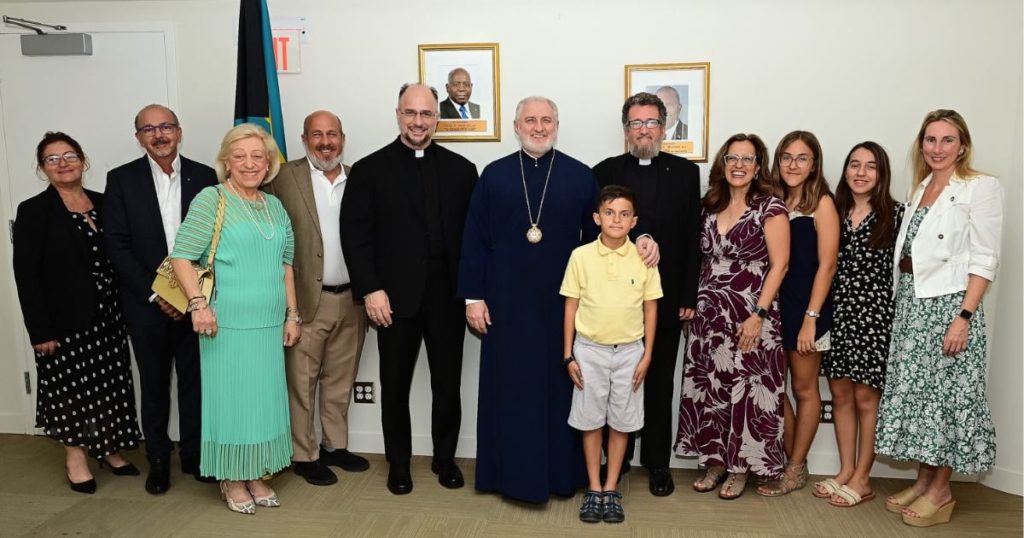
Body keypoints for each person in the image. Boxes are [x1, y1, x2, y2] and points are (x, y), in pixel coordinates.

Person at [459, 96, 660, 504]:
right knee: (513, 391)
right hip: (506, 305)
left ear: (557, 124)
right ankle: (508, 475)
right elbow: (474, 240)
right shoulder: (493, 176)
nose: (538, 127)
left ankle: (563, 476)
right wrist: (473, 298)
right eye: (530, 120)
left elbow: (609, 230)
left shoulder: (579, 176)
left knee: (562, 391)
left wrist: (643, 237)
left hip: (565, 308)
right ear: (516, 126)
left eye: (546, 120)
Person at [340, 83, 478, 496]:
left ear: (438, 118)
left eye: (427, 114)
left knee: (447, 384)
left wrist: (472, 292)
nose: (418, 122)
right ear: (398, 115)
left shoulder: (462, 170)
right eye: (410, 113)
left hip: (447, 297)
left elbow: (473, 239)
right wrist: (371, 290)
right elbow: (355, 236)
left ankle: (444, 458)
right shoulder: (369, 170)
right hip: (393, 298)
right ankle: (397, 464)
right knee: (394, 385)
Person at [875, 109, 1002, 527]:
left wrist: (964, 315)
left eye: (947, 140)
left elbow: (985, 258)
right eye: (931, 139)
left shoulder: (980, 187)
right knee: (922, 396)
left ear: (962, 145)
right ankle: (924, 480)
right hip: (914, 301)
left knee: (947, 397)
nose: (938, 148)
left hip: (950, 305)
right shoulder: (923, 187)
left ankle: (941, 491)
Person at [169, 124, 297, 514]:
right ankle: (231, 476)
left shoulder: (274, 205)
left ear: (270, 163)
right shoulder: (212, 199)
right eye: (239, 156)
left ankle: (255, 472)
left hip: (269, 324)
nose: (249, 164)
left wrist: (293, 314)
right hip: (225, 325)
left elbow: (286, 265)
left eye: (258, 156)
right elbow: (181, 256)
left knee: (262, 401)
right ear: (226, 161)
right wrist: (197, 304)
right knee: (232, 403)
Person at [13, 132, 141, 494]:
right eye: (52, 159)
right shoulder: (33, 211)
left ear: (83, 160)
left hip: (109, 317)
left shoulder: (104, 202)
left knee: (109, 385)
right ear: (42, 169)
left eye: (69, 155)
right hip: (63, 322)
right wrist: (40, 330)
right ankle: (76, 456)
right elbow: (27, 276)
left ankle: (108, 448)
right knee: (68, 389)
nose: (63, 163)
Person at [104, 104, 218, 493]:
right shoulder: (120, 180)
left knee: (195, 381)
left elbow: (214, 243)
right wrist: (156, 294)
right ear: (138, 138)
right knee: (153, 383)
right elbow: (117, 246)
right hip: (146, 304)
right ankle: (157, 458)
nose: (159, 134)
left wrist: (190, 296)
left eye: (166, 126)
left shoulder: (205, 176)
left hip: (197, 303)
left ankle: (195, 454)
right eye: (149, 129)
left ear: (179, 131)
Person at [592, 91, 700, 496]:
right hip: (612, 302)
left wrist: (688, 294)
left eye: (651, 122)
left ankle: (657, 462)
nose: (644, 130)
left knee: (656, 382)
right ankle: (613, 464)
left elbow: (693, 239)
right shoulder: (603, 171)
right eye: (635, 123)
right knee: (610, 381)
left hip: (667, 298)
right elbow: (594, 235)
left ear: (664, 125)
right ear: (625, 130)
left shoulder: (686, 174)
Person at [675, 134, 789, 500]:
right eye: (732, 158)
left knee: (746, 390)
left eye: (747, 159)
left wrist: (758, 314)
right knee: (711, 389)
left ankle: (741, 469)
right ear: (723, 164)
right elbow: (698, 259)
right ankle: (715, 462)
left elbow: (780, 265)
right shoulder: (708, 204)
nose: (739, 165)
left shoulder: (770, 207)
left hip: (750, 315)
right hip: (709, 318)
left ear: (758, 167)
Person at [264, 111, 369, 486]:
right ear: (304, 138)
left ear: (343, 137)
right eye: (317, 135)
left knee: (341, 378)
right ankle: (303, 453)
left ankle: (334, 446)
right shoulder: (281, 178)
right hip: (307, 298)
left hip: (353, 299)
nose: (326, 142)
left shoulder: (360, 178)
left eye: (333, 134)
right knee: (302, 381)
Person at [561, 185, 662, 523]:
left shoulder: (644, 258)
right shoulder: (581, 256)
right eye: (609, 212)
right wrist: (568, 355)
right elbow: (570, 306)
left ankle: (610, 488)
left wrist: (647, 355)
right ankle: (593, 487)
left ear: (634, 221)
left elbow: (651, 309)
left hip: (630, 353)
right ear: (596, 218)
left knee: (621, 422)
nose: (616, 219)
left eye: (624, 214)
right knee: (591, 421)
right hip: (588, 351)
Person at [815, 142, 903, 508]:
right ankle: (845, 469)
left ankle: (864, 477)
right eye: (854, 165)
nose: (861, 173)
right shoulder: (834, 210)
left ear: (881, 174)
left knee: (867, 398)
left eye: (870, 166)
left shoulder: (896, 215)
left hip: (875, 316)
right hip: (839, 314)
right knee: (840, 396)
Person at [757, 131, 839, 497]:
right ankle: (786, 458)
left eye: (802, 158)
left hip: (809, 309)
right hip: (774, 308)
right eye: (786, 157)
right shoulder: (771, 200)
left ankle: (795, 467)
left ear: (814, 163)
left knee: (804, 389)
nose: (793, 165)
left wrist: (811, 318)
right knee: (773, 388)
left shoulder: (821, 202)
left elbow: (827, 266)